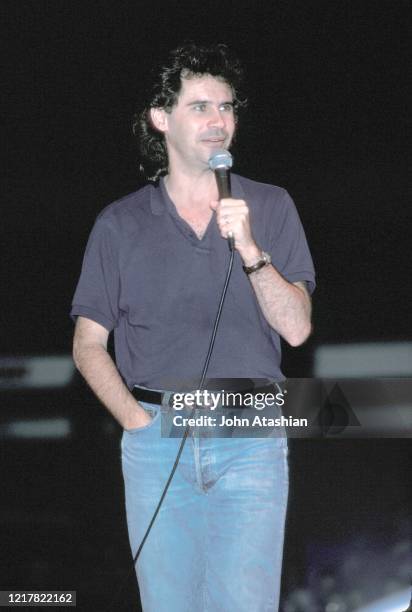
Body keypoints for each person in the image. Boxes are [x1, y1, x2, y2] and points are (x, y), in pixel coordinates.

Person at [71, 43, 315, 612]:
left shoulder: (270, 206)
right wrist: (136, 420)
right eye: (200, 106)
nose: (218, 121)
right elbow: (88, 345)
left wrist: (252, 249)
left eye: (227, 107)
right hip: (156, 437)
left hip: (247, 434)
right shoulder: (119, 224)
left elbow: (298, 329)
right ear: (161, 118)